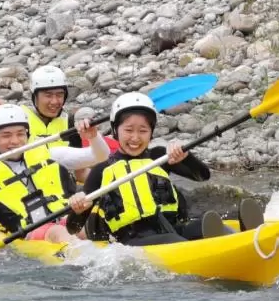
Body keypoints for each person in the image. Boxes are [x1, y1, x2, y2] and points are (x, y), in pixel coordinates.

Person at [66, 92, 265, 246]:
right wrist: (77, 209)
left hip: (172, 228)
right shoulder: (103, 170)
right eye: (128, 130)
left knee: (202, 224)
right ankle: (223, 247)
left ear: (151, 133)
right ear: (115, 130)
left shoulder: (159, 156)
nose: (135, 138)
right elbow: (73, 227)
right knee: (174, 240)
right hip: (132, 241)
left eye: (143, 131)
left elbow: (203, 175)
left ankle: (248, 237)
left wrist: (186, 157)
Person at [0, 104, 109, 243]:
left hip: (69, 220)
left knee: (91, 223)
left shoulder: (51, 154)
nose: (15, 141)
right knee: (58, 232)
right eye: (6, 136)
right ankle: (88, 259)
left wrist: (93, 137)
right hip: (37, 234)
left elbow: (100, 156)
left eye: (20, 134)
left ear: (28, 134)